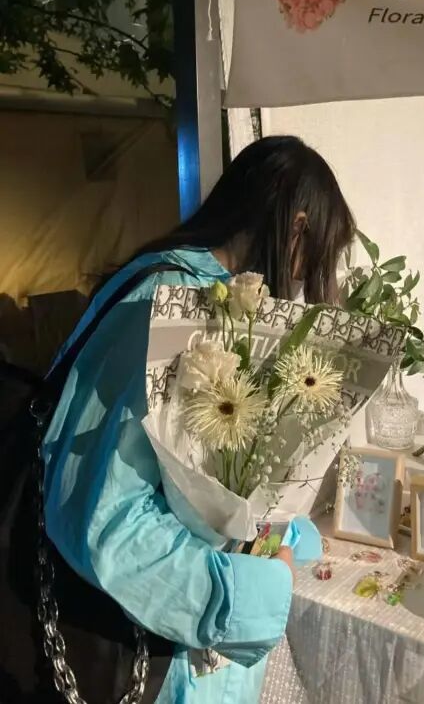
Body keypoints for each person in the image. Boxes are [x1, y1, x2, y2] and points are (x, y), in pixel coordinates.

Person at [40, 136, 355, 703]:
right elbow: (104, 516)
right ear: (297, 228)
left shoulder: (199, 291)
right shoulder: (169, 301)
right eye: (318, 256)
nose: (309, 279)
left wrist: (278, 525)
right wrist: (245, 593)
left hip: (181, 641)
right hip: (150, 651)